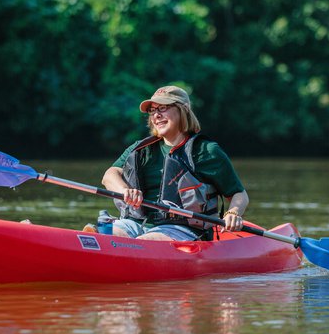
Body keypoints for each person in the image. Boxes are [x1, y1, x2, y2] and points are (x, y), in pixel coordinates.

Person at [101, 85, 249, 241]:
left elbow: (239, 193)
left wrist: (233, 213)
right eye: (152, 110)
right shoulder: (140, 149)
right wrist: (125, 190)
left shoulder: (206, 151)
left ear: (183, 109)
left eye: (163, 108)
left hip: (183, 229)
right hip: (134, 223)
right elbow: (110, 175)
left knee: (146, 241)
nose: (156, 115)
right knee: (100, 234)